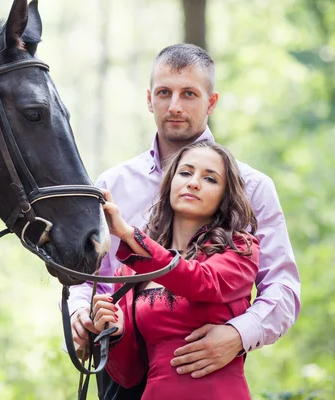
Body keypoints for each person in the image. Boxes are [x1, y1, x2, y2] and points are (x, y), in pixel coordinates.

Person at [66, 44, 301, 398]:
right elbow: (87, 274)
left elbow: (282, 288)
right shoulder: (112, 184)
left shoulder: (252, 187)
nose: (174, 106)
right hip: (119, 363)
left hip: (205, 369)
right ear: (149, 99)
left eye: (189, 93)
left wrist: (238, 334)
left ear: (211, 102)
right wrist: (81, 314)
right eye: (164, 93)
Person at [92, 140, 259, 399]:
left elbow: (202, 281)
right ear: (170, 182)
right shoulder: (130, 272)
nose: (193, 182)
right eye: (185, 172)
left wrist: (128, 234)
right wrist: (117, 331)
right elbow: (129, 374)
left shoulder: (239, 249)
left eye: (210, 179)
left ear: (224, 196)